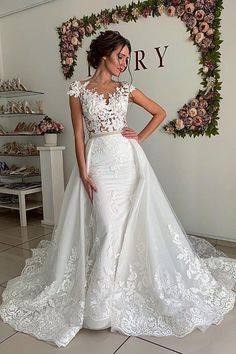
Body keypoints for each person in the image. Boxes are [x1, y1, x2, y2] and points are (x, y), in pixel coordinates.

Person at [0, 30, 235, 348]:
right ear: (103, 55)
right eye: (120, 56)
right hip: (98, 162)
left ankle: (117, 293)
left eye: (127, 57)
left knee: (128, 227)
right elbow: (79, 135)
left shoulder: (127, 89)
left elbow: (160, 112)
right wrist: (82, 170)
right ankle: (99, 302)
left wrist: (138, 137)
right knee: (108, 228)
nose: (125, 62)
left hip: (128, 162)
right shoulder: (78, 88)